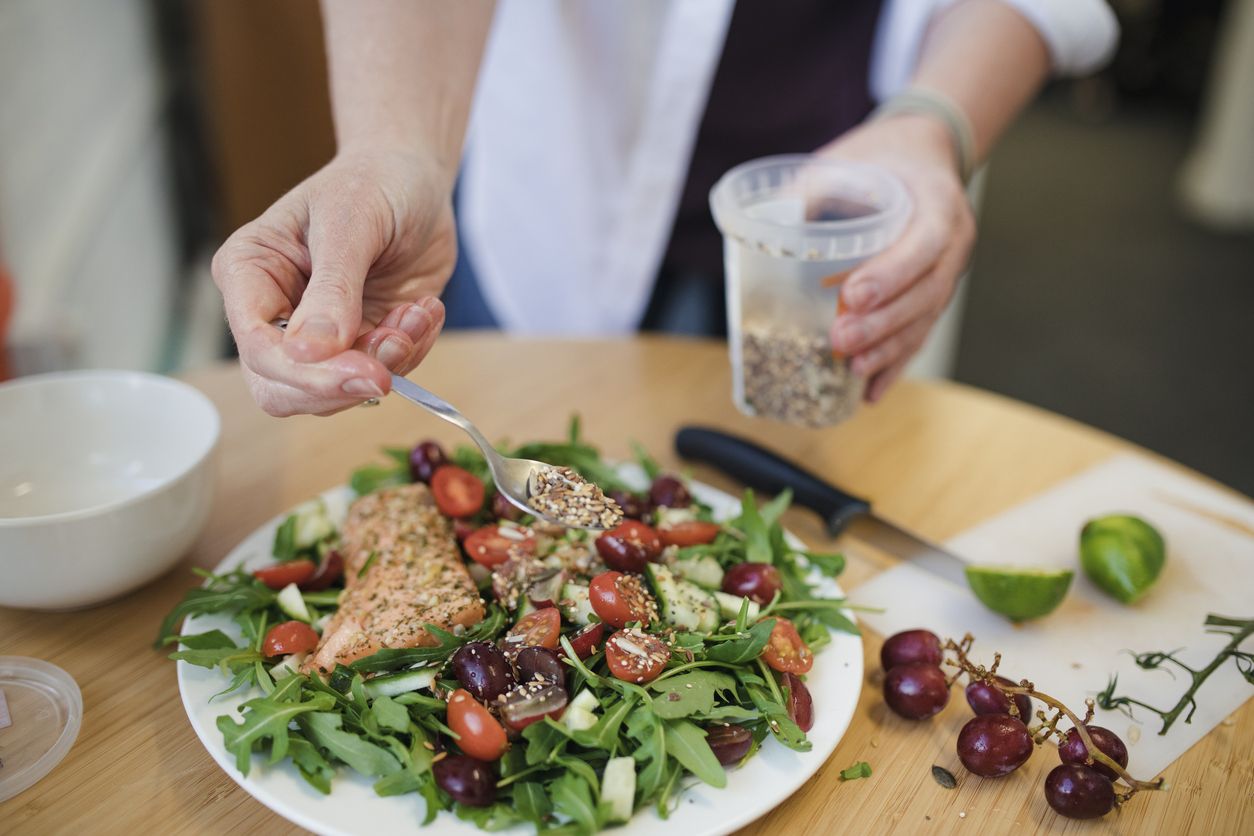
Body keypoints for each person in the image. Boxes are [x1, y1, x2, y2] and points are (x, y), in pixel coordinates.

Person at [212, 0, 1117, 417]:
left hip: (826, 204)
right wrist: (392, 146)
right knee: (537, 416)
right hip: (552, 183)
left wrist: (933, 123)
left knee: (798, 482)